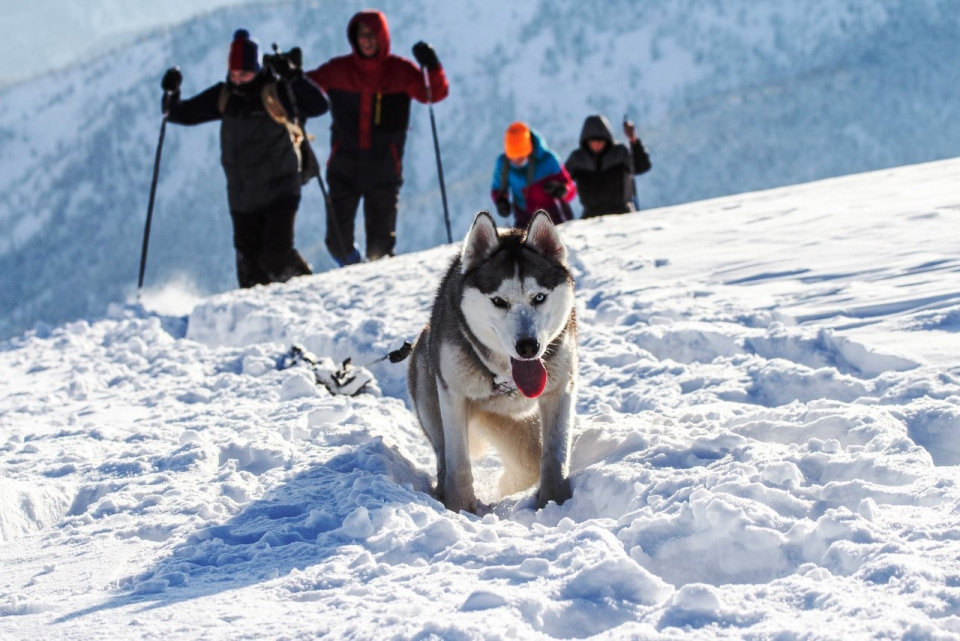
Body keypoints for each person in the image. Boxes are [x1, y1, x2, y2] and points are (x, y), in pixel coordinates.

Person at [160, 29, 328, 288]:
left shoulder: (275, 92)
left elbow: (319, 105)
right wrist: (171, 93)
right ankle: (268, 314)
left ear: (257, 69)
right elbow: (178, 114)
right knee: (251, 277)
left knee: (277, 259)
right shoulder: (225, 96)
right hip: (242, 199)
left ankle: (311, 295)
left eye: (244, 74)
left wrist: (294, 76)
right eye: (234, 74)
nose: (238, 80)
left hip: (280, 190)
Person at [305, 11, 449, 266]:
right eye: (362, 34)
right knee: (337, 243)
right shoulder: (338, 70)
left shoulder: (400, 71)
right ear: (354, 37)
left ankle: (373, 281)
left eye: (372, 34)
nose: (367, 40)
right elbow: (304, 90)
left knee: (381, 249)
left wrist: (432, 66)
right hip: (344, 167)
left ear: (382, 37)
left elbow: (433, 94)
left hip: (384, 169)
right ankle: (355, 268)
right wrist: (289, 74)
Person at [490, 122, 577, 228]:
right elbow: (497, 189)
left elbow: (571, 189)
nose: (516, 161)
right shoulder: (504, 164)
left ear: (529, 150)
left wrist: (562, 190)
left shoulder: (549, 161)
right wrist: (500, 201)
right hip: (524, 219)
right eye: (512, 157)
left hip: (555, 218)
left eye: (520, 157)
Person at [565, 114, 652, 219]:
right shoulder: (577, 159)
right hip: (591, 215)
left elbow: (641, 166)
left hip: (622, 212)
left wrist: (633, 140)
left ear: (606, 139)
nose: (596, 144)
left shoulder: (620, 152)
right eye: (593, 141)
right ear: (586, 141)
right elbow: (563, 178)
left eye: (600, 141)